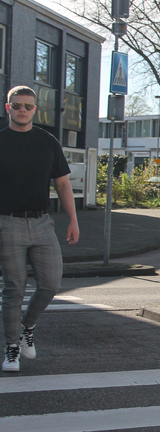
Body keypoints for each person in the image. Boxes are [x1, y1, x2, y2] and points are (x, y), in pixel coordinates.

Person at [0, 85, 79, 372]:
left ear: (35, 110)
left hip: (43, 223)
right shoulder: (1, 141)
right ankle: (11, 348)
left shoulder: (48, 142)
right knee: (14, 288)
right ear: (8, 107)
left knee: (50, 284)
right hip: (7, 223)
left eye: (28, 106)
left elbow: (62, 184)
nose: (22, 110)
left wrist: (73, 219)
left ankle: (26, 326)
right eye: (17, 105)